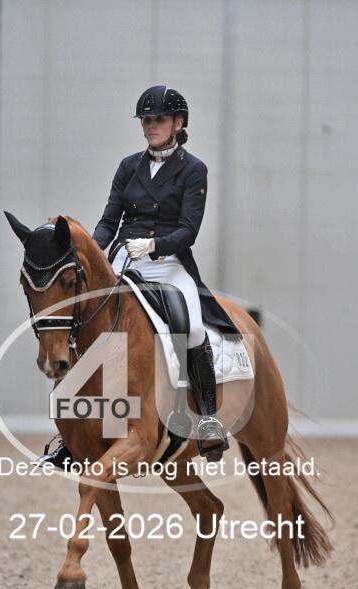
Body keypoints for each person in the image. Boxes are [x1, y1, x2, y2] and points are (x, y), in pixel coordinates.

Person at [38, 85, 241, 468]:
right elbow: (109, 220)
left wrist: (154, 245)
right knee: (87, 320)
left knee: (192, 328)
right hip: (123, 260)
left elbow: (188, 230)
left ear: (178, 123)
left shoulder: (194, 169)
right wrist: (89, 252)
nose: (150, 126)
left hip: (168, 263)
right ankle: (73, 435)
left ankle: (208, 418)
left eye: (158, 119)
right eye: (146, 120)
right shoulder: (128, 166)